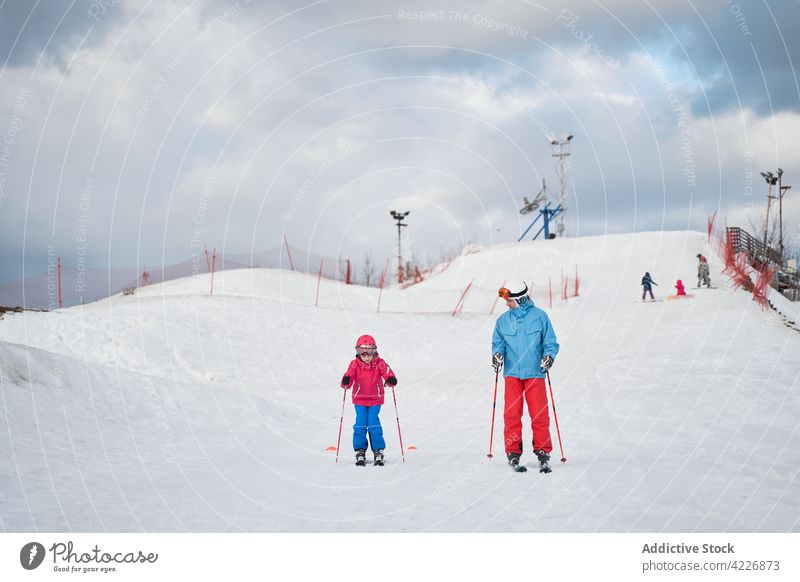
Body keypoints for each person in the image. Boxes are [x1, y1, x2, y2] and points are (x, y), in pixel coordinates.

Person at [491, 280, 560, 473]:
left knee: (539, 415)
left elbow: (551, 342)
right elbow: (498, 343)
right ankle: (513, 452)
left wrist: (549, 357)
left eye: (510, 301)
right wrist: (497, 355)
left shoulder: (540, 317)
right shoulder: (502, 321)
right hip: (512, 374)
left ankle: (543, 452)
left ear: (520, 300)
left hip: (535, 373)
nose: (507, 304)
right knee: (511, 415)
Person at [340, 334, 397, 466]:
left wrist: (390, 379)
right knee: (360, 423)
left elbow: (388, 372)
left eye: (369, 351)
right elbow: (348, 377)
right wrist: (346, 380)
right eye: (361, 351)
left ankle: (378, 450)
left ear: (374, 350)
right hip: (360, 399)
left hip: (375, 399)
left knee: (373, 423)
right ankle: (360, 450)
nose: (365, 355)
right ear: (357, 352)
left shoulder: (380, 363)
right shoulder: (354, 364)